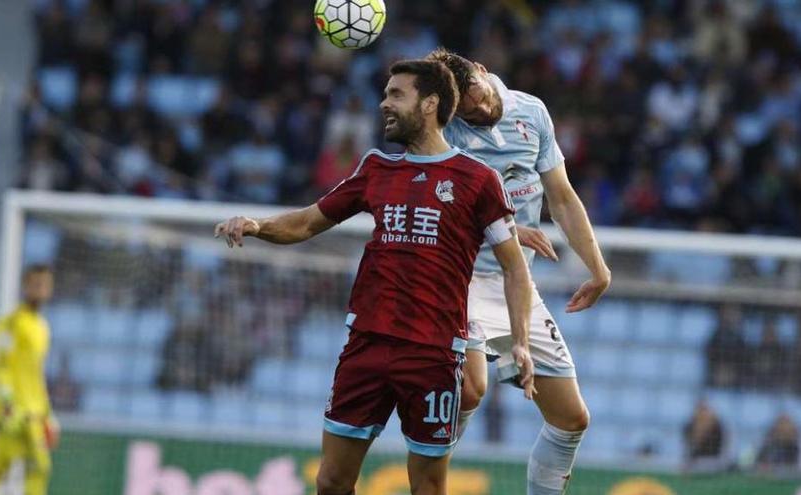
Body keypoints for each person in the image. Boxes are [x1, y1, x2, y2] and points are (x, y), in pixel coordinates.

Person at [215, 59, 535, 495]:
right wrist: (258, 226)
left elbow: (515, 266)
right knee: (330, 481)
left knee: (427, 485)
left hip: (433, 353)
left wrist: (519, 340)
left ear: (430, 103)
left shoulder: (479, 180)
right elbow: (308, 222)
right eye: (385, 94)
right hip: (367, 343)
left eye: (396, 95)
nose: (384, 104)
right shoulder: (376, 168)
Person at [427, 48, 611, 495]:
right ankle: (424, 480)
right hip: (461, 280)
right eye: (467, 110)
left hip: (515, 286)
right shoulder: (443, 132)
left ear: (484, 72)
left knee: (571, 418)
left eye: (477, 94)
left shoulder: (532, 111)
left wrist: (598, 269)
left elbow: (562, 197)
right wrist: (507, 230)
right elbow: (436, 214)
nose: (480, 109)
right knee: (471, 390)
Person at [0, 265, 60, 495]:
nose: (41, 290)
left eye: (45, 285)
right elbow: (1, 366)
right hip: (12, 411)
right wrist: (7, 402)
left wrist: (48, 414)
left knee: (24, 467)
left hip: (34, 412)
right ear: (25, 287)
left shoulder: (42, 327)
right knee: (18, 467)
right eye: (36, 285)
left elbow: (37, 375)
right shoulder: (10, 323)